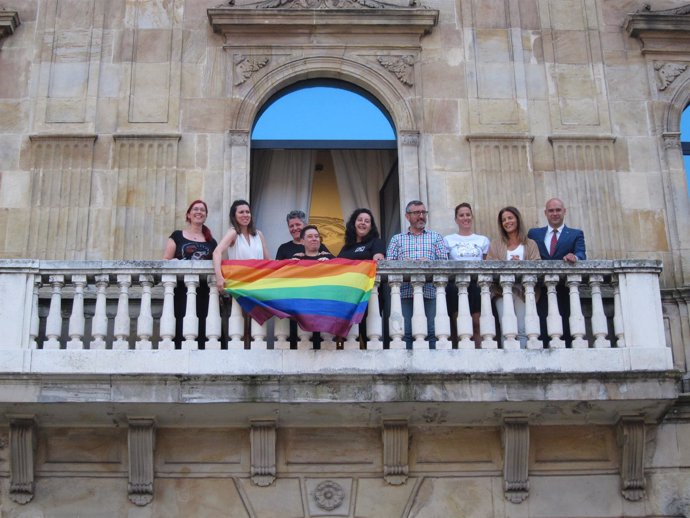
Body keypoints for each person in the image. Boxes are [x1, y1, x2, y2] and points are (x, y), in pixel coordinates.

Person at [386, 200, 449, 348]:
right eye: (416, 213)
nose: (421, 216)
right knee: (405, 333)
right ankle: (407, 369)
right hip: (405, 293)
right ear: (407, 216)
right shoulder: (397, 239)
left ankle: (434, 368)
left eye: (423, 212)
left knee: (434, 332)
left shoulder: (436, 237)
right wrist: (403, 264)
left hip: (431, 292)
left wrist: (429, 262)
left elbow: (445, 264)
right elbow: (389, 265)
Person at [527, 198, 587, 345]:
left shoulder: (575, 234)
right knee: (541, 327)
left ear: (564, 212)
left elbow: (581, 254)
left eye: (558, 210)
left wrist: (575, 257)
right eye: (551, 210)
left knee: (566, 327)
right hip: (540, 290)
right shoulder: (535, 234)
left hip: (565, 289)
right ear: (545, 213)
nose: (555, 214)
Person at [163, 200, 217, 348]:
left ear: (206, 215)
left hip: (204, 292)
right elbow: (166, 261)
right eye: (195, 209)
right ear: (189, 214)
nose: (199, 212)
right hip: (180, 290)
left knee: (202, 325)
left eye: (202, 210)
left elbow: (217, 265)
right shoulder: (177, 236)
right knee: (181, 322)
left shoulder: (211, 242)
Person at [487, 206, 540, 347]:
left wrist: (521, 264)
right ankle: (508, 364)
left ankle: (522, 363)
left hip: (523, 292)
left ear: (517, 219)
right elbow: (488, 266)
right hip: (501, 291)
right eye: (504, 220)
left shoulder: (530, 244)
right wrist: (506, 264)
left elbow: (538, 266)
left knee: (523, 328)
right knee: (507, 329)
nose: (507, 222)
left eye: (510, 218)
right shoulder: (496, 244)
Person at [444, 202, 490, 345]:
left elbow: (486, 264)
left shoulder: (482, 240)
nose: (465, 218)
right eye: (461, 215)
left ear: (472, 217)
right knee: (460, 324)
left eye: (468, 215)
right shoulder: (448, 240)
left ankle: (478, 354)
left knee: (477, 323)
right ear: (456, 219)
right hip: (455, 286)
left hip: (477, 285)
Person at [213, 199, 269, 291]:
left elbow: (268, 261)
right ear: (234, 216)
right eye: (241, 212)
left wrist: (288, 263)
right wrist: (219, 277)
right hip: (240, 283)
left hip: (258, 283)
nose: (245, 215)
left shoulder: (259, 234)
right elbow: (217, 252)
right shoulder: (233, 233)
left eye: (247, 212)